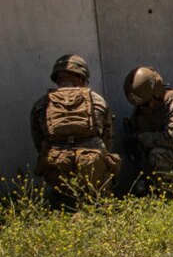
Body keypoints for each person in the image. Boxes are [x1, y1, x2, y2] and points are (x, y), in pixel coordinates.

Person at [30, 54, 120, 207]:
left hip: (57, 168)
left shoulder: (41, 104)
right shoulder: (97, 100)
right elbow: (107, 137)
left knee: (63, 206)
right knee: (98, 204)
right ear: (82, 77)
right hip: (92, 166)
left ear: (58, 78)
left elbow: (39, 141)